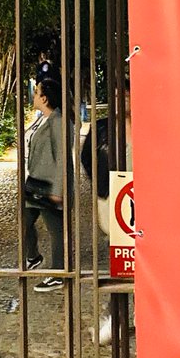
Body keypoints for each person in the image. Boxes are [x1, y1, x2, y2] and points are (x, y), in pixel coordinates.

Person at [81, 82, 132, 344]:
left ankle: (146, 316)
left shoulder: (152, 121)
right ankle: (116, 318)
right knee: (120, 261)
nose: (121, 100)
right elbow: (86, 158)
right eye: (115, 95)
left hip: (153, 202)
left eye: (125, 94)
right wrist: (101, 184)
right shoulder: (101, 128)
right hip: (114, 200)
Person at [23, 77, 69, 292]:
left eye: (36, 93)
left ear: (44, 97)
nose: (33, 97)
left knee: (56, 229)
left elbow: (62, 157)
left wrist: (58, 189)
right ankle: (33, 256)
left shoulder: (58, 121)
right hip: (36, 183)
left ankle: (59, 273)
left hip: (50, 185)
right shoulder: (43, 119)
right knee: (25, 221)